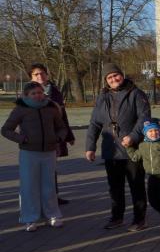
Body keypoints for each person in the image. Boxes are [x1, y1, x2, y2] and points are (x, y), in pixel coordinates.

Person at [85, 63, 151, 231]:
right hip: (111, 150)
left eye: (116, 75)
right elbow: (94, 123)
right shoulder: (102, 97)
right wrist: (90, 146)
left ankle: (139, 219)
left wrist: (133, 136)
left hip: (132, 150)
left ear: (122, 75)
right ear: (106, 80)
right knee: (115, 188)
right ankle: (117, 217)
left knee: (136, 186)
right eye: (110, 77)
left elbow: (144, 118)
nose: (114, 79)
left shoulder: (136, 94)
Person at [2, 81, 68, 231]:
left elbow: (61, 127)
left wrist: (58, 138)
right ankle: (30, 219)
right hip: (29, 153)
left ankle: (52, 215)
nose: (38, 95)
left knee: (49, 185)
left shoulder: (51, 108)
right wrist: (22, 139)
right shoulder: (20, 109)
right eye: (33, 93)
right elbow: (6, 130)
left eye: (40, 92)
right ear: (26, 95)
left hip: (49, 152)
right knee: (29, 186)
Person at [28, 63, 75, 205]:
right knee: (36, 170)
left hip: (53, 136)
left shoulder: (55, 91)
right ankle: (37, 199)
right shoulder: (27, 92)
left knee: (51, 167)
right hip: (35, 138)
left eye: (42, 73)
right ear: (31, 77)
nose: (40, 76)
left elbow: (62, 115)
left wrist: (69, 135)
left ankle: (53, 196)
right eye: (36, 74)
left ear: (47, 74)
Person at [125, 120, 160, 235]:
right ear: (145, 133)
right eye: (150, 131)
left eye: (156, 130)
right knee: (153, 201)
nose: (154, 133)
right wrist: (128, 147)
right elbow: (135, 157)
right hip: (152, 178)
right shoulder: (142, 145)